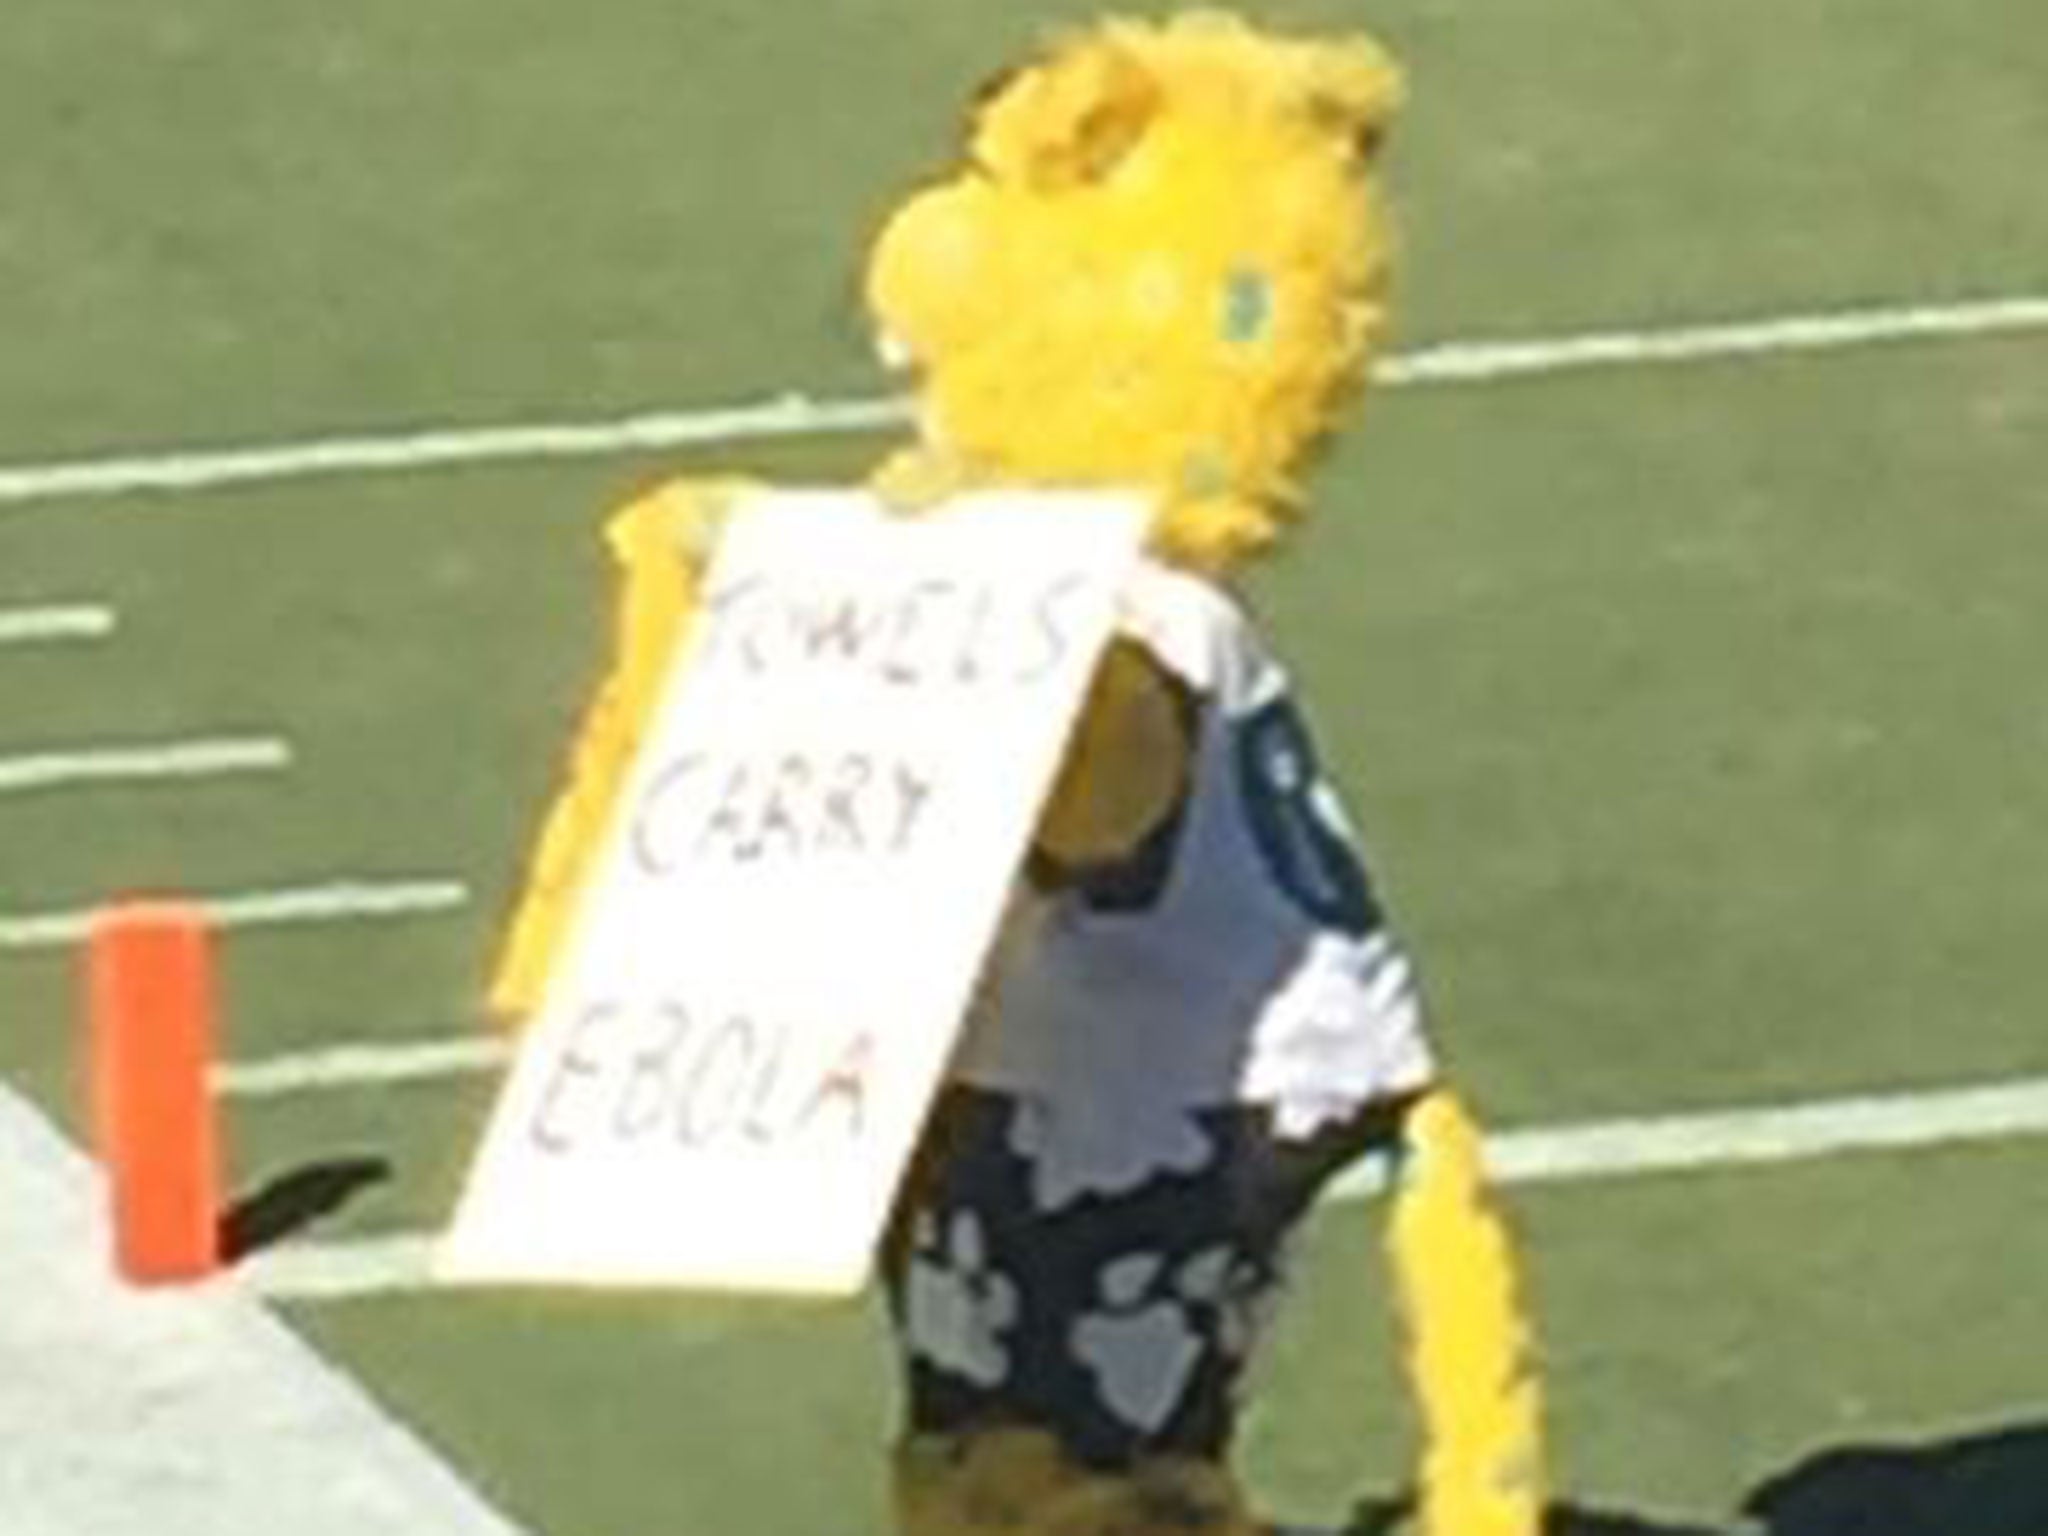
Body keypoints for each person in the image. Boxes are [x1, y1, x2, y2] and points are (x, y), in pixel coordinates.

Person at [489, 14, 1544, 1535]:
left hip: (1167, 1098)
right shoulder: (999, 573)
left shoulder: (1131, 629)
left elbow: (1099, 780)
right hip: (1031, 1070)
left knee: (1094, 1464)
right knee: (986, 1444)